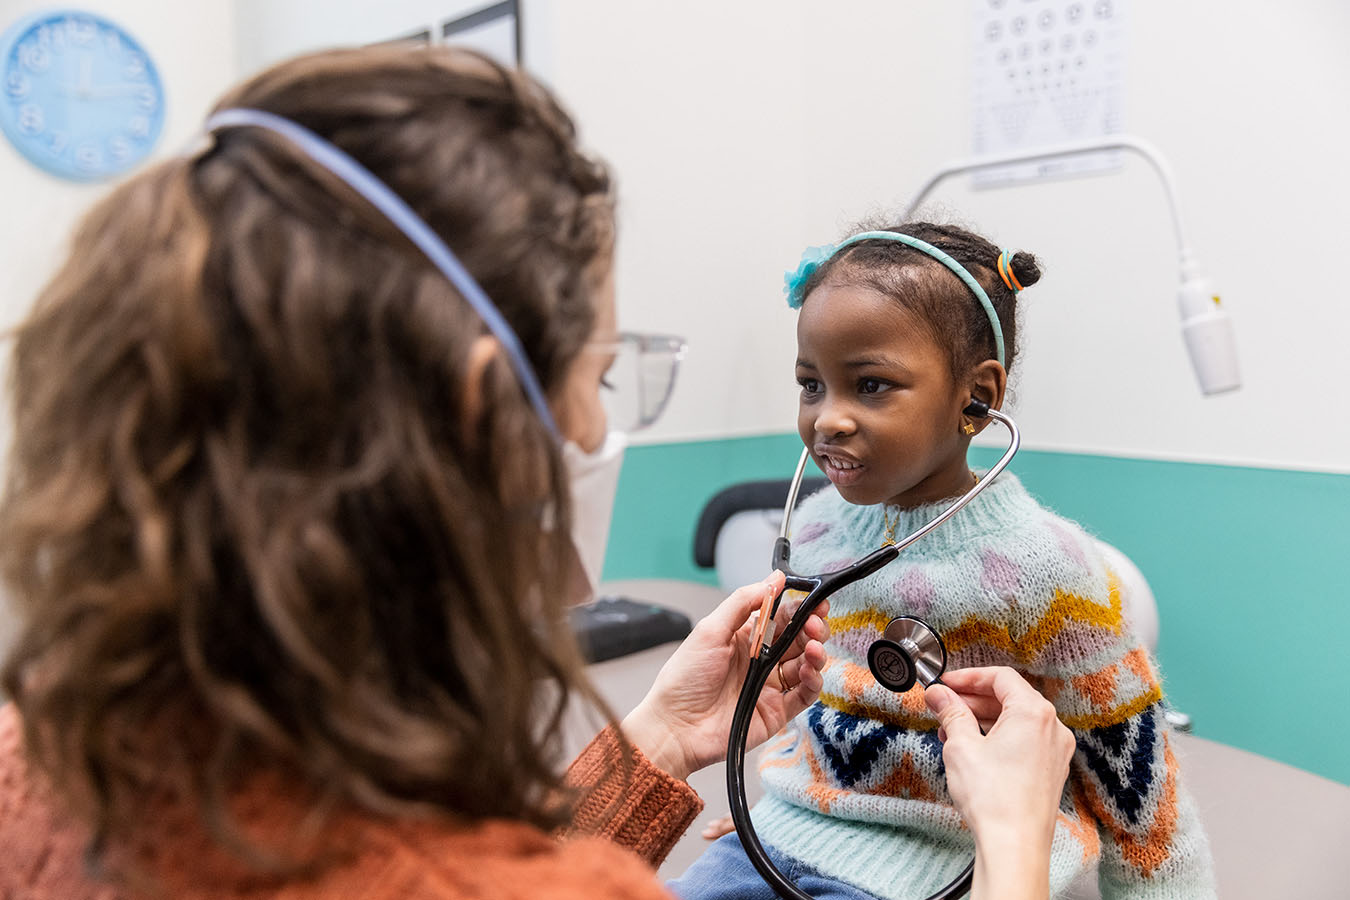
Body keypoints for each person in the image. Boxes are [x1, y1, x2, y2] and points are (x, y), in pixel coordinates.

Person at [0, 43, 1077, 900]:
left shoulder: (31, 745)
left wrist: (653, 740)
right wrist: (1017, 855)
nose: (596, 422)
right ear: (483, 414)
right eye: (601, 377)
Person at [670, 223, 1217, 900]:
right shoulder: (813, 529)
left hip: (950, 867)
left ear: (976, 398)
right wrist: (781, 802)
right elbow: (812, 696)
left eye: (869, 385)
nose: (827, 418)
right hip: (783, 841)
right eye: (812, 385)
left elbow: (1135, 771)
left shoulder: (1051, 570)